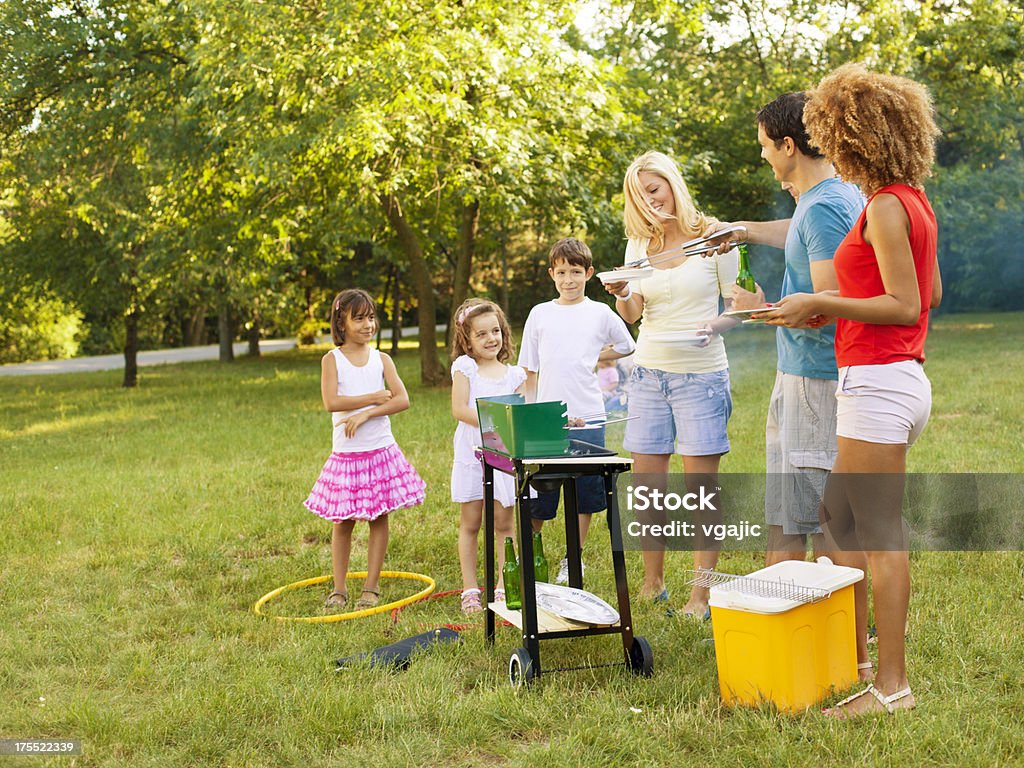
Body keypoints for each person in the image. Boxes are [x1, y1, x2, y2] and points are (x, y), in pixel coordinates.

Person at [760, 63, 943, 716]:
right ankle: (859, 659)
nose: (826, 147)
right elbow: (932, 295)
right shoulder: (910, 200)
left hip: (878, 384)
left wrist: (821, 299)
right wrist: (832, 302)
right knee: (839, 518)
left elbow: (904, 303)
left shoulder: (889, 205)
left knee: (879, 535)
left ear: (853, 136)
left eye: (831, 135)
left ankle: (892, 688)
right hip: (897, 379)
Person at [706, 92, 865, 570]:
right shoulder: (828, 197)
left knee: (819, 515)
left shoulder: (824, 206)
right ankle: (789, 617)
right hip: (798, 373)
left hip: (816, 379)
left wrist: (757, 309)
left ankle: (844, 631)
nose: (761, 153)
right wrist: (743, 230)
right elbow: (798, 232)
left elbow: (827, 305)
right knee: (787, 514)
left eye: (764, 144)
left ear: (789, 144)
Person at [603, 151, 738, 616]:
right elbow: (634, 314)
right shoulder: (638, 246)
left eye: (654, 189)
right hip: (648, 373)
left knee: (701, 489)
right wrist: (623, 293)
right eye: (640, 195)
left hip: (700, 377)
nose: (649, 201)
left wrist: (715, 327)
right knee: (648, 487)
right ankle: (652, 583)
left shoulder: (715, 236)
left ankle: (700, 594)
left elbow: (738, 304)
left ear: (673, 185)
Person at [519, 237, 636, 584]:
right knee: (540, 493)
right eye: (561, 272)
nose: (568, 280)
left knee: (585, 493)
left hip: (589, 416)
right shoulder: (539, 313)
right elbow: (529, 370)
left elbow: (628, 346)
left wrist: (596, 357)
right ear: (551, 274)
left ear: (589, 273)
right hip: (547, 420)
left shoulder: (600, 312)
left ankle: (574, 557)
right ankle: (532, 554)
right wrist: (529, 417)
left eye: (575, 272)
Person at [304, 288, 426, 611]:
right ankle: (339, 589)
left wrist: (368, 413)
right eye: (358, 318)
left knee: (378, 517)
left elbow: (402, 399)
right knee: (343, 521)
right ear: (341, 323)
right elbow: (331, 401)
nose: (367, 324)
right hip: (346, 454)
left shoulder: (381, 359)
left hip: (379, 450)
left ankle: (371, 587)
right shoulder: (332, 360)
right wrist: (373, 397)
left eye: (370, 317)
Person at [450, 298, 525, 613]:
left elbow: (520, 412)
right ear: (467, 340)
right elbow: (459, 409)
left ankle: (503, 586)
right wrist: (493, 420)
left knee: (504, 522)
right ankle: (470, 588)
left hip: (504, 451)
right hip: (473, 450)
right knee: (471, 521)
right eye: (481, 334)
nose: (491, 338)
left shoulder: (514, 375)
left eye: (495, 331)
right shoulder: (465, 368)